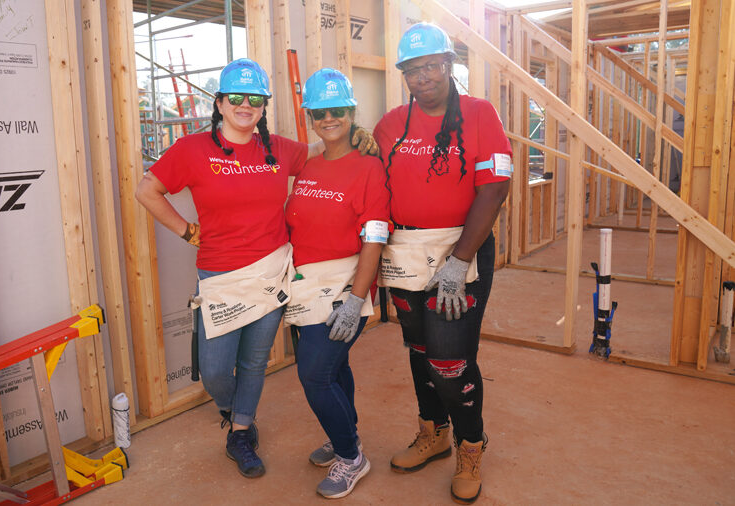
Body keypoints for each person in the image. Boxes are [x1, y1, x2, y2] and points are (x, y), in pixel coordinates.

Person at [135, 59, 377, 479]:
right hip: (220, 274)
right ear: (220, 102)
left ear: (263, 106)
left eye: (255, 99)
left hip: (271, 271)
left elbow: (325, 148)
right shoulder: (193, 149)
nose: (245, 106)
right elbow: (147, 189)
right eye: (236, 98)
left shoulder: (279, 150)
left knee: (253, 363)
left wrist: (359, 135)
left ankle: (241, 431)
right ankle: (234, 409)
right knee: (214, 369)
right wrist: (186, 230)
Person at [372, 23, 512, 505]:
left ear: (448, 65)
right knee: (418, 350)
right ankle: (433, 433)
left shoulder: (478, 114)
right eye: (413, 69)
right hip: (405, 253)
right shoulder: (390, 124)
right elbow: (373, 188)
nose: (423, 77)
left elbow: (494, 188)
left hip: (461, 253)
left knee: (449, 359)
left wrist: (460, 261)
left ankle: (471, 444)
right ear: (404, 75)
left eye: (431, 65)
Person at [283, 68, 389, 499]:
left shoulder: (369, 168)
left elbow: (375, 236)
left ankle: (351, 456)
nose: (329, 118)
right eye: (320, 112)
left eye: (338, 111)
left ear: (351, 113)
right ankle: (344, 431)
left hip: (344, 286)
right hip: (303, 286)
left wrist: (355, 298)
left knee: (315, 373)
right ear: (310, 116)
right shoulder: (307, 163)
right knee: (335, 367)